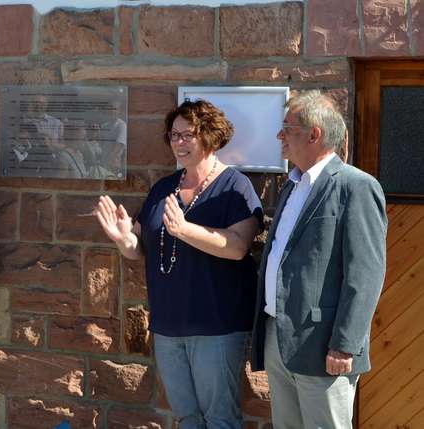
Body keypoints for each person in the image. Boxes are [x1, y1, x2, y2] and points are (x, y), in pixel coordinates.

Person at [96, 100, 263, 429]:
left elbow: (238, 247)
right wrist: (122, 237)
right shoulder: (164, 188)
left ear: (210, 137)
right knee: (187, 418)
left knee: (220, 419)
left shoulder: (234, 187)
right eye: (174, 135)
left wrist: (185, 230)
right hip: (169, 327)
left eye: (188, 135)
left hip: (217, 327)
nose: (179, 143)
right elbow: (138, 248)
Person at [250, 91, 387, 429]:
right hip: (280, 337)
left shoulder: (356, 187)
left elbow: (365, 274)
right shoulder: (292, 185)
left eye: (287, 128)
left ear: (314, 134)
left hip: (324, 345)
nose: (280, 136)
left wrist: (344, 344)